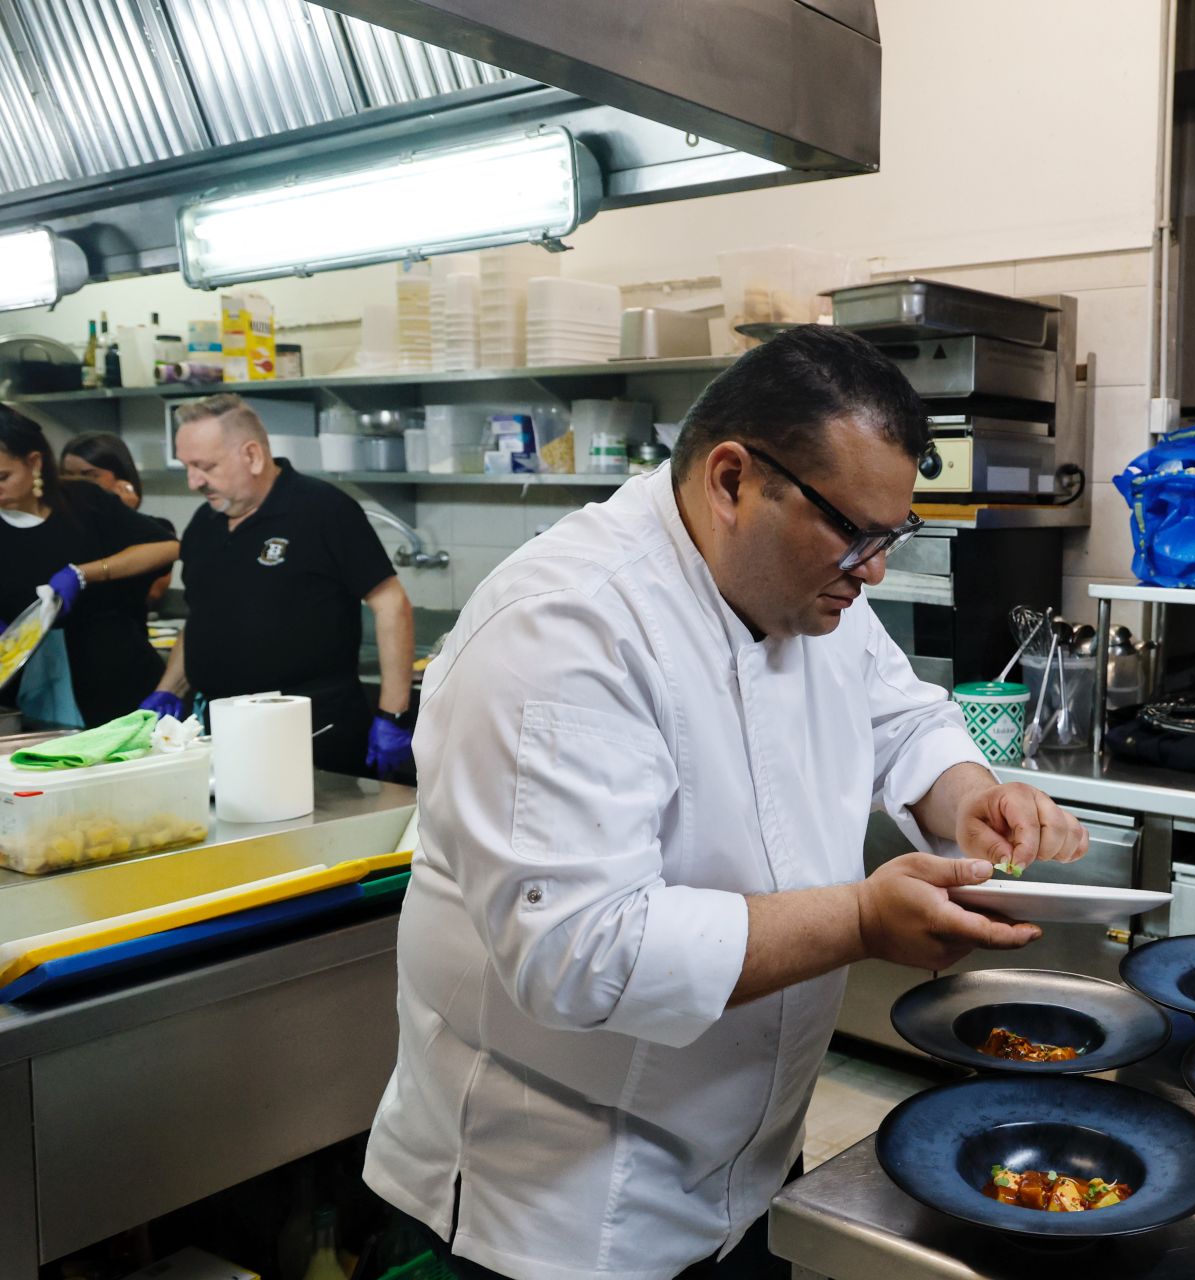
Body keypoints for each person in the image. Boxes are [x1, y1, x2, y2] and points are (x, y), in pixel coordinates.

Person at [361, 326, 1088, 1280]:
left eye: (892, 534)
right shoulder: (565, 626)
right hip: (562, 1211)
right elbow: (582, 953)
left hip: (752, 1170)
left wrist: (971, 798)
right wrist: (863, 920)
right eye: (856, 532)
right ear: (733, 479)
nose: (874, 569)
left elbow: (901, 717)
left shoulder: (815, 587)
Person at [140, 394, 416, 780]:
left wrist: (393, 713)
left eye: (205, 466)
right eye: (188, 466)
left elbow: (391, 604)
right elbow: (202, 617)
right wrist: (169, 688)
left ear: (252, 456)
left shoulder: (323, 509)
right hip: (220, 728)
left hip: (312, 730)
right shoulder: (205, 523)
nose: (193, 481)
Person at [0, 411, 179, 726]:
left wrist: (84, 574)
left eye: (3, 477)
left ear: (34, 462)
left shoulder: (83, 499)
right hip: (36, 689)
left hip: (119, 673)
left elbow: (166, 547)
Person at [61, 431, 175, 608]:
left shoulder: (157, 530)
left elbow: (153, 593)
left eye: (90, 475)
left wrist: (123, 515)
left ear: (122, 479)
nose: (77, 483)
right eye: (68, 474)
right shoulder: (60, 526)